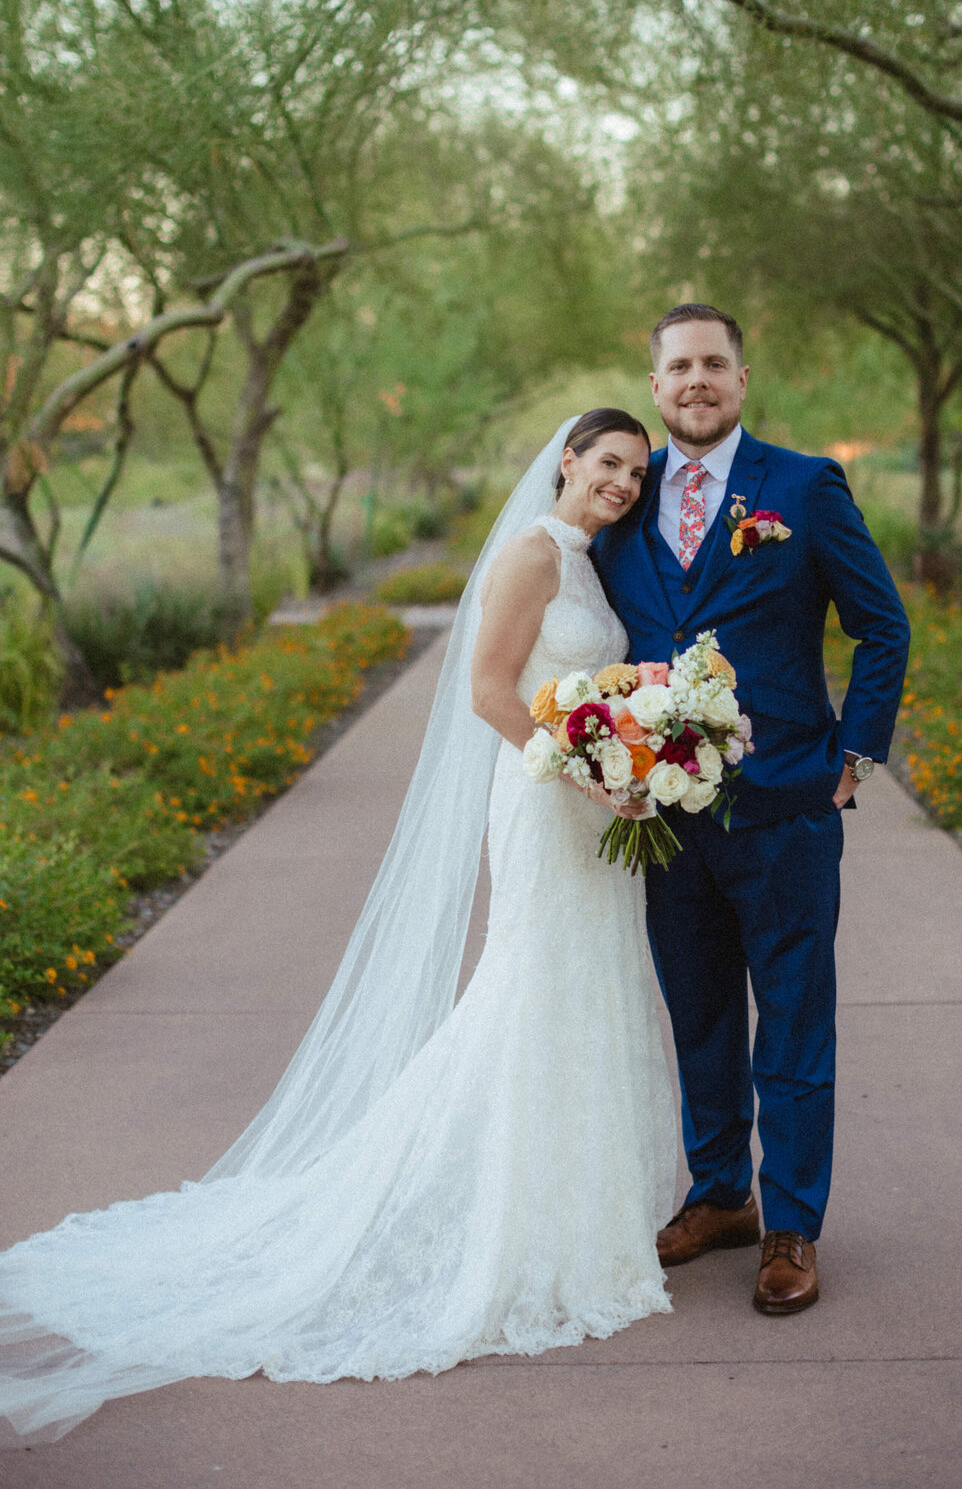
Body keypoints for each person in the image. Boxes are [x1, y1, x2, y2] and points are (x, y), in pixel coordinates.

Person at [0, 409, 677, 1447]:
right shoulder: (533, 554)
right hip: (547, 802)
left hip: (589, 803)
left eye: (636, 469)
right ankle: (486, 1216)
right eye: (609, 463)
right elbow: (490, 690)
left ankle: (574, 1211)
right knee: (529, 987)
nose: (623, 481)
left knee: (582, 988)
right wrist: (590, 765)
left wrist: (629, 746)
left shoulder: (586, 561)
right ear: (568, 461)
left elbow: (580, 680)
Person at [592, 305, 910, 1316]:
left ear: (741, 377)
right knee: (699, 1016)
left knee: (794, 1020)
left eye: (713, 363)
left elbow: (882, 626)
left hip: (786, 809)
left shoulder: (803, 487)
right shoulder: (625, 501)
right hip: (665, 816)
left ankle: (791, 1223)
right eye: (678, 365)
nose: (697, 379)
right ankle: (721, 1190)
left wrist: (854, 754)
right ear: (654, 385)